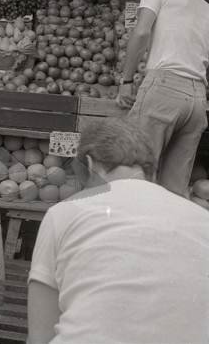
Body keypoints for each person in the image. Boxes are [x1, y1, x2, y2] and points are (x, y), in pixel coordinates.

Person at [27, 118, 209, 344]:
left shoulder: (65, 213)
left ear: (90, 165)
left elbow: (39, 337)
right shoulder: (203, 219)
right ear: (151, 174)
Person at [116, 0, 209, 197]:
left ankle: (130, 234)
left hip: (164, 90)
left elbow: (141, 33)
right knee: (174, 191)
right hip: (197, 99)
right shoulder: (207, 8)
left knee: (136, 174)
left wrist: (126, 81)